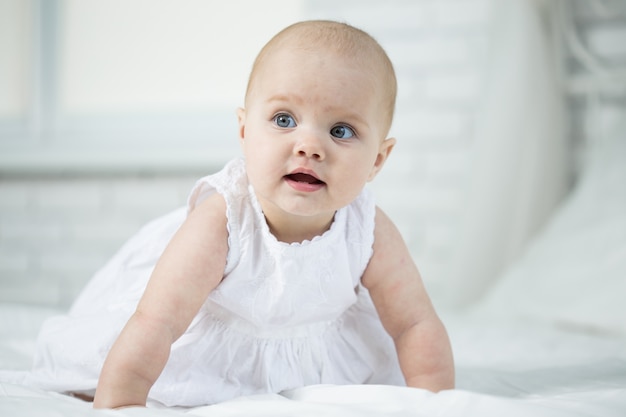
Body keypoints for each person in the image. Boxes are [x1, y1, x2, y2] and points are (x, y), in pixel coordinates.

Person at [28, 20, 455, 409]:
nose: (308, 145)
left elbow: (414, 324)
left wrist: (439, 404)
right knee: (107, 377)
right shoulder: (222, 222)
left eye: (341, 130)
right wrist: (121, 402)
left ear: (378, 159)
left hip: (310, 349)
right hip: (192, 343)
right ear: (245, 131)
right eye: (284, 119)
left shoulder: (369, 231)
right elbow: (155, 323)